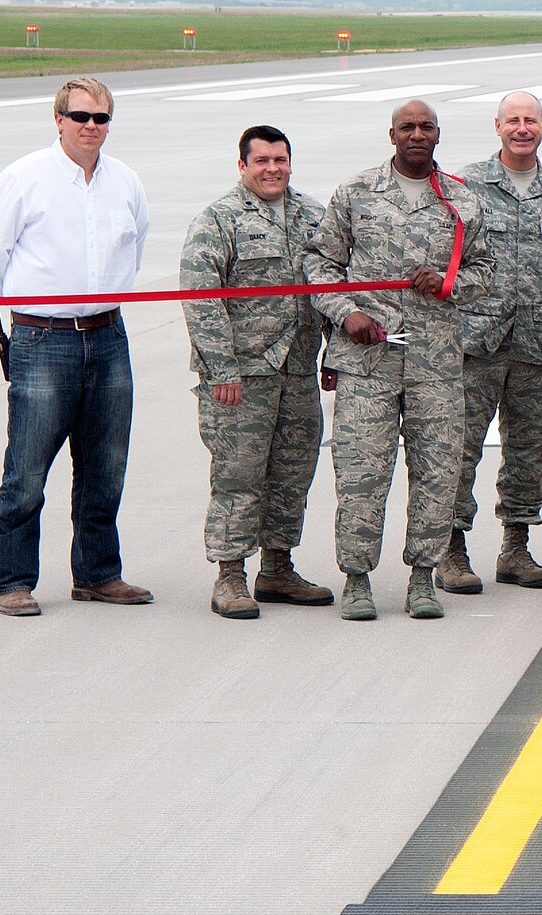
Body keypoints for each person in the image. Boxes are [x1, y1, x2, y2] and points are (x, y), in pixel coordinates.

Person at [304, 99, 493, 621]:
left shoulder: (461, 200)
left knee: (437, 471)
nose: (416, 134)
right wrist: (346, 313)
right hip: (367, 360)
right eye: (406, 127)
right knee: (361, 472)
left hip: (436, 362)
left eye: (425, 127)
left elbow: (487, 272)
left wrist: (450, 285)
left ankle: (423, 578)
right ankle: (358, 579)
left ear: (438, 135)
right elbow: (319, 264)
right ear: (391, 135)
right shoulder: (356, 193)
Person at [0, 77, 152, 617]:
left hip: (108, 336)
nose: (91, 128)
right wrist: (33, 318)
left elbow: (137, 245)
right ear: (59, 119)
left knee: (106, 464)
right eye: (81, 117)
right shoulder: (24, 178)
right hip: (42, 339)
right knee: (27, 469)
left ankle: (98, 574)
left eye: (101, 119)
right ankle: (12, 580)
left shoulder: (124, 181)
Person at [179, 124, 336, 619]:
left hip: (298, 369)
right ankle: (229, 575)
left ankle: (277, 568)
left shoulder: (315, 215)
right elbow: (201, 302)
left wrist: (332, 355)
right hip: (241, 377)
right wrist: (221, 369)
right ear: (242, 165)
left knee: (293, 473)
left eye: (281, 160)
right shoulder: (219, 220)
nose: (273, 169)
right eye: (262, 160)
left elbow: (332, 284)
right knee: (238, 475)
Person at [436, 92, 542, 596]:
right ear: (497, 126)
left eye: (530, 121)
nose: (522, 129)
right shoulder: (464, 186)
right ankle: (450, 550)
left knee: (529, 450)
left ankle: (515, 546)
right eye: (513, 120)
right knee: (460, 448)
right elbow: (443, 260)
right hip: (476, 343)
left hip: (537, 344)